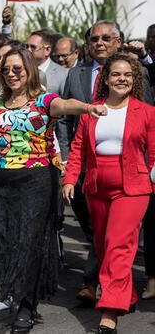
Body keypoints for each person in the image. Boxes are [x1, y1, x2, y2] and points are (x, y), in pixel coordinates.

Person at [0, 48, 106, 333]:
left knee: (29, 244)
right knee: (5, 244)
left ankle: (26, 307)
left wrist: (87, 108)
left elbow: (66, 104)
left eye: (18, 69)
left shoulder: (44, 100)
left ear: (30, 70)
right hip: (4, 182)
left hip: (37, 181)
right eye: (6, 69)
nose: (11, 74)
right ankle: (12, 290)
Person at [62, 53, 153, 333]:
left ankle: (110, 309)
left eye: (127, 74)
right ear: (106, 78)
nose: (122, 79)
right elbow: (78, 148)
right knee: (103, 246)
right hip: (96, 186)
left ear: (134, 79)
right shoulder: (93, 110)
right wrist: (70, 179)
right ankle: (128, 296)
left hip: (133, 187)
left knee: (118, 245)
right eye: (116, 74)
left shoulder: (147, 112)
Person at [56, 20, 143, 305]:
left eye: (107, 38)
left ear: (118, 41)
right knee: (99, 231)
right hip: (85, 170)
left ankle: (98, 289)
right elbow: (68, 125)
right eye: (94, 39)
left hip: (129, 174)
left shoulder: (136, 75)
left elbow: (145, 122)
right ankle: (120, 289)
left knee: (116, 238)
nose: (100, 43)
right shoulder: (76, 75)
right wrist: (70, 165)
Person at [26, 30, 68, 95]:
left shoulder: (64, 74)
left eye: (33, 47)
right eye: (26, 47)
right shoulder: (21, 71)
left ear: (47, 50)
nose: (28, 50)